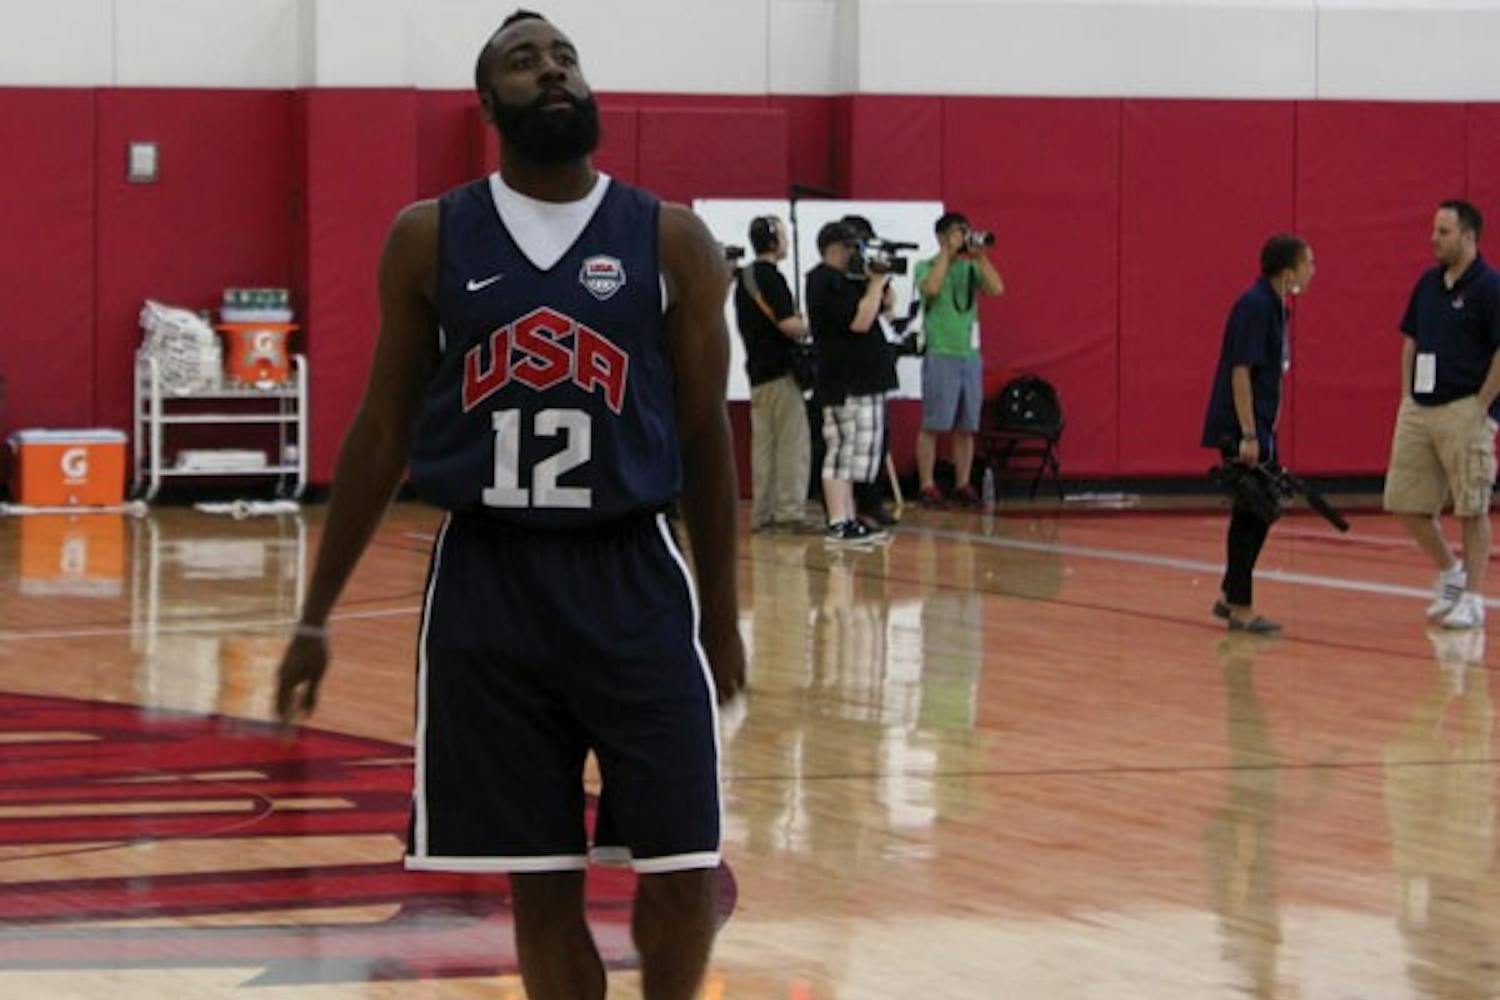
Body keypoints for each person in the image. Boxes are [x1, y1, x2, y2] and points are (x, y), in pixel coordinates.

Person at [273, 11, 745, 1000]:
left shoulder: (673, 240)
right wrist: (316, 613)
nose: (552, 71)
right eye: (524, 63)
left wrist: (722, 613)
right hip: (489, 584)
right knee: (541, 886)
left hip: (633, 575)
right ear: (490, 103)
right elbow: (379, 435)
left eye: (564, 56)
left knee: (683, 861)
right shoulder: (428, 238)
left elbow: (706, 441)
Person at [1384, 199, 1500, 630]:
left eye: (1443, 232)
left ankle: (1473, 597)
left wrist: (1481, 404)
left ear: (1469, 236)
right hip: (1420, 406)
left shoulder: (1489, 286)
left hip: (1464, 407)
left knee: (1471, 506)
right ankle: (1451, 571)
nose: (1433, 239)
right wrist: (1406, 396)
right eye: (1434, 230)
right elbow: (1410, 338)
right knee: (1404, 501)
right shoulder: (1428, 284)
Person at [1201, 233, 1315, 635]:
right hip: (1244, 427)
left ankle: (1232, 594)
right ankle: (1240, 605)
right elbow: (1240, 372)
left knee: (1256, 511)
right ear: (1288, 271)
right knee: (1254, 512)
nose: (1312, 271)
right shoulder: (1254, 306)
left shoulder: (1276, 308)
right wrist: (1248, 434)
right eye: (1308, 263)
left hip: (1261, 425)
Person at [805, 221, 893, 544]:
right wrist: (874, 286)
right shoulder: (823, 281)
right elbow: (859, 322)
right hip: (844, 384)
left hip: (863, 381)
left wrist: (880, 282)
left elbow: (886, 308)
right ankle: (839, 519)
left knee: (859, 454)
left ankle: (850, 515)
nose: (856, 254)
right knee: (841, 450)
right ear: (835, 248)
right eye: (852, 247)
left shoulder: (849, 280)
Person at [913, 212, 1004, 508]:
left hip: (970, 355)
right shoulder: (924, 266)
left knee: (967, 425)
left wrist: (980, 257)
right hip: (941, 352)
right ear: (941, 236)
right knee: (934, 423)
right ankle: (927, 484)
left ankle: (962, 482)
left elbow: (996, 289)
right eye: (956, 233)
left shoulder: (970, 269)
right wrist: (946, 253)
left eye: (965, 232)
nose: (962, 238)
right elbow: (932, 288)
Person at [732, 215, 813, 532]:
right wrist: (811, 325)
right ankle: (790, 512)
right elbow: (788, 325)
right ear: (773, 240)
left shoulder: (746, 278)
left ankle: (763, 513)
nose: (787, 242)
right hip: (781, 370)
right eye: (783, 235)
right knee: (792, 443)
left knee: (763, 446)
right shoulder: (772, 278)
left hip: (757, 372)